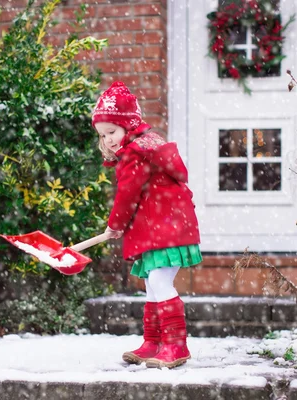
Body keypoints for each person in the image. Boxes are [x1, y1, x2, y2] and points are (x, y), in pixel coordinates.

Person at [92, 81, 202, 369]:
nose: (108, 140)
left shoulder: (134, 155)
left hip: (167, 228)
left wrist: (115, 223)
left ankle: (176, 345)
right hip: (166, 225)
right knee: (152, 286)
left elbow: (127, 194)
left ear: (129, 126)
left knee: (158, 281)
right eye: (102, 135)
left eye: (112, 132)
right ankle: (153, 342)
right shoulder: (146, 146)